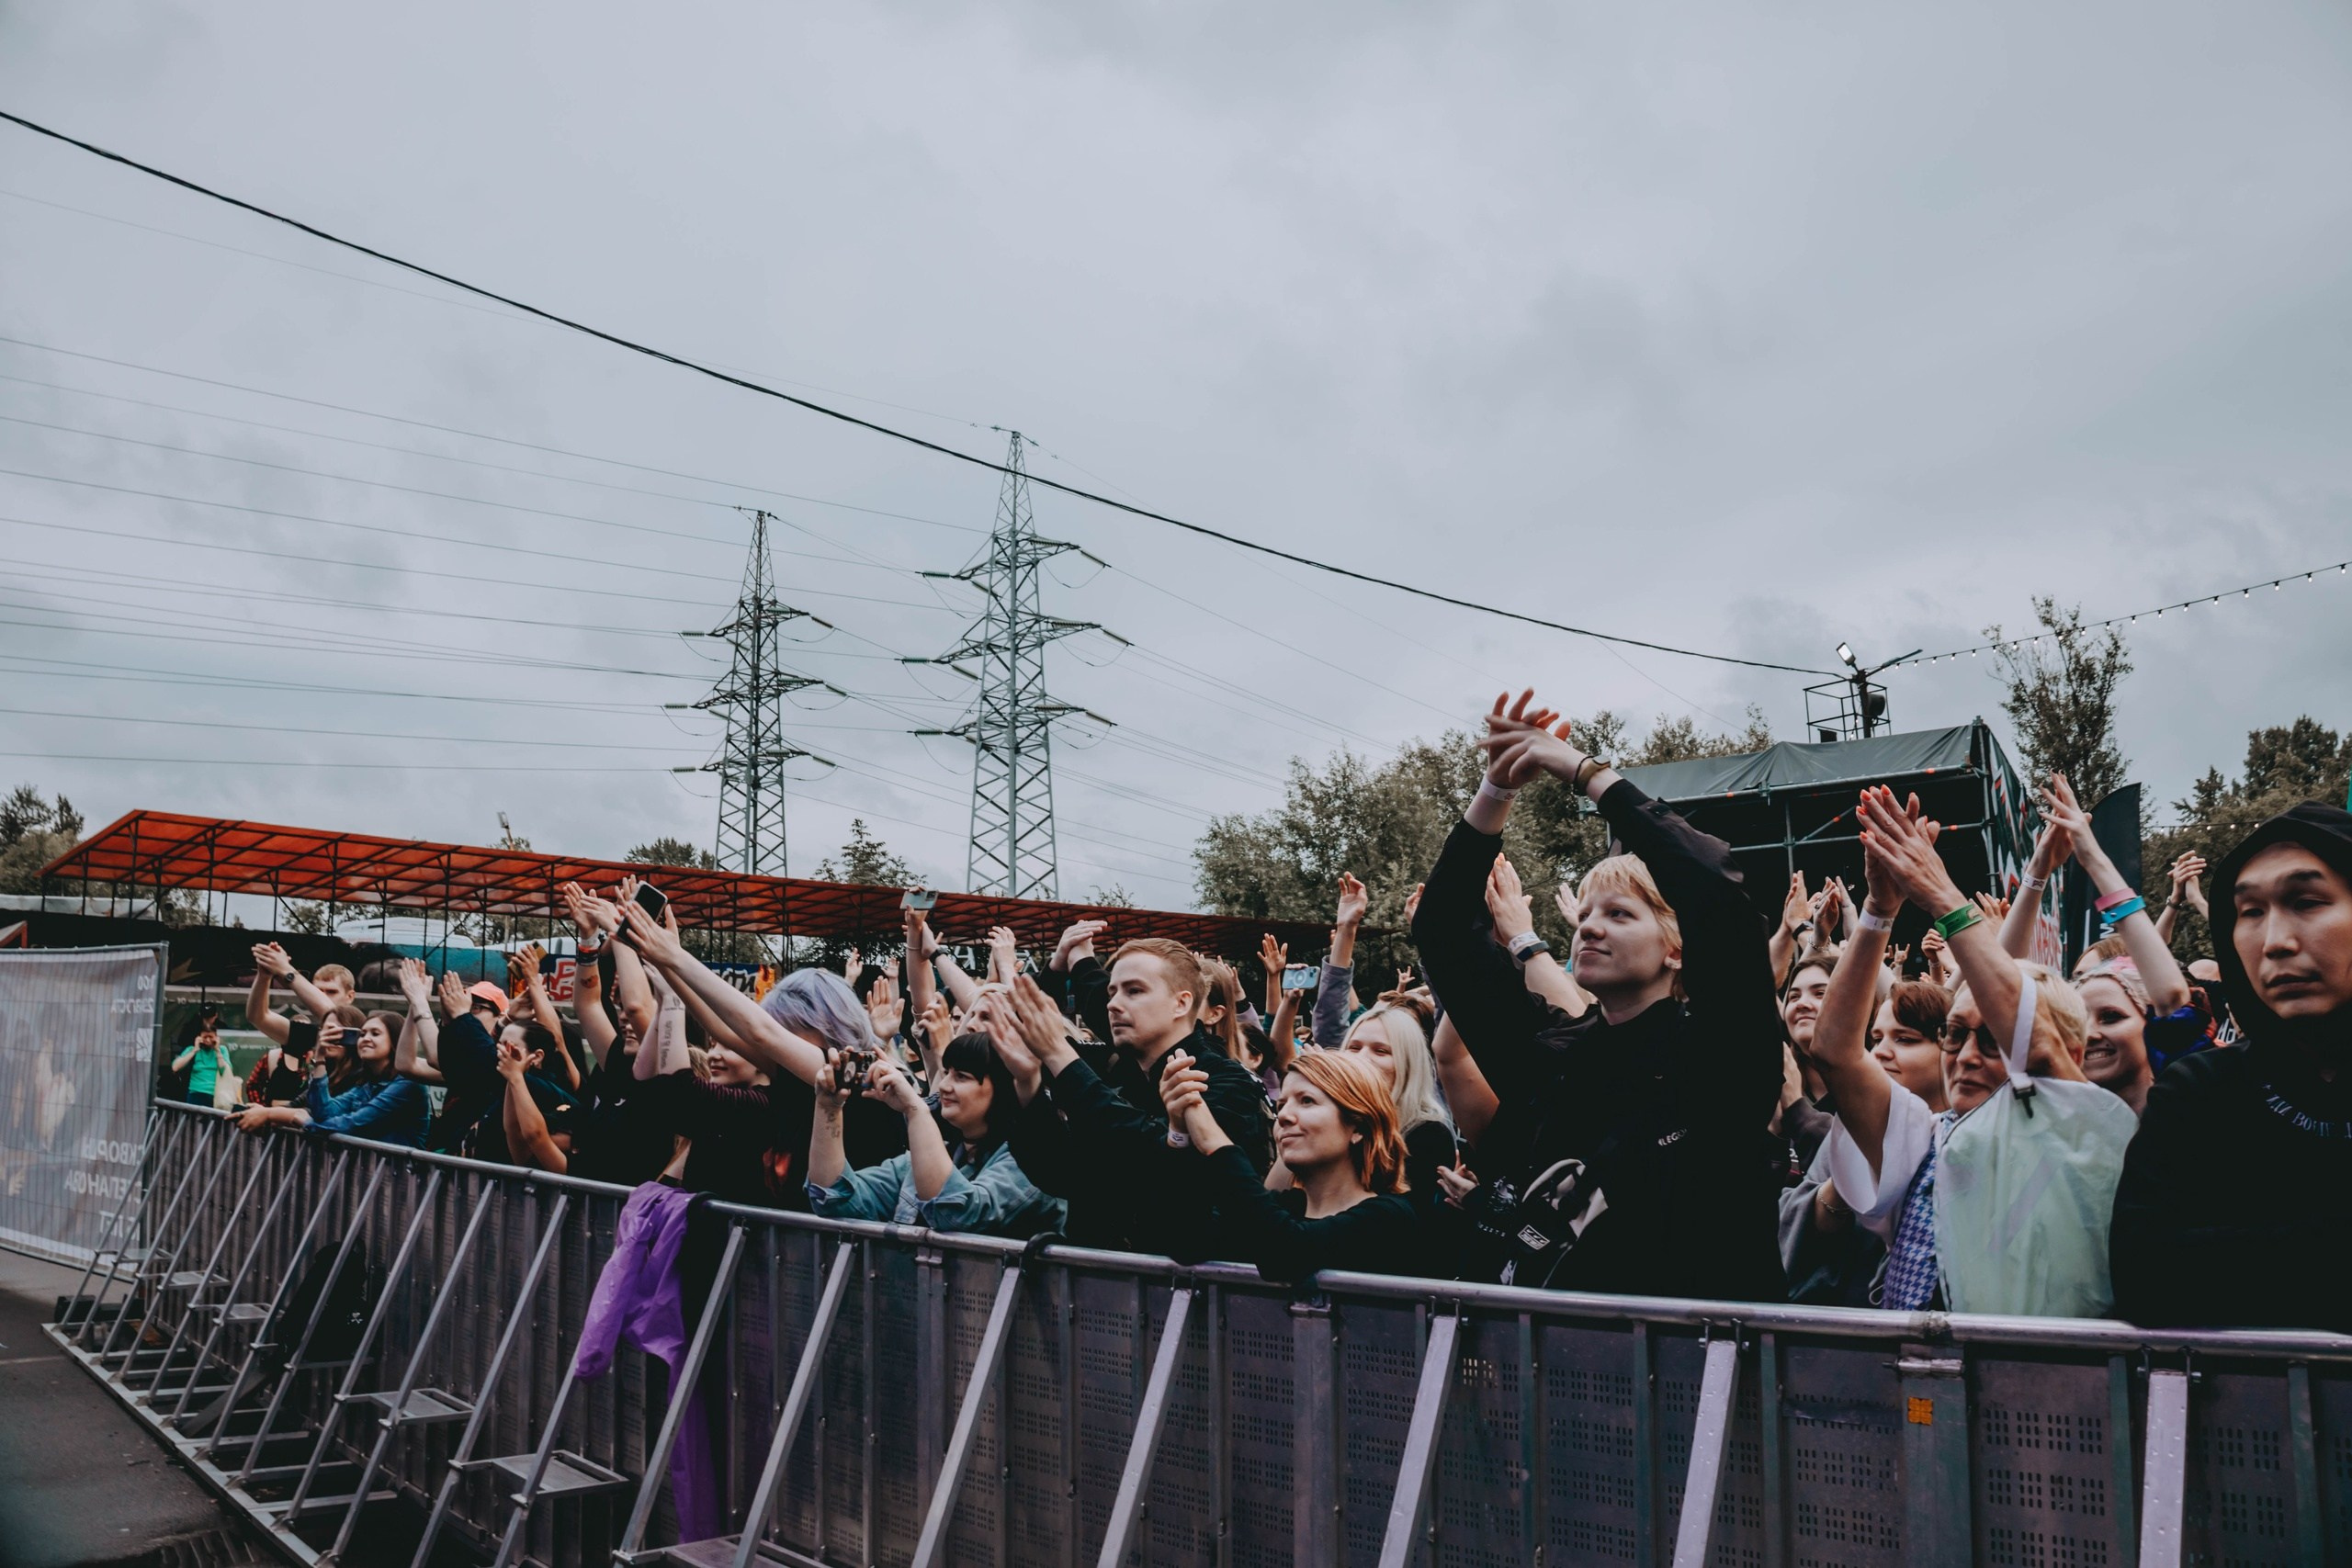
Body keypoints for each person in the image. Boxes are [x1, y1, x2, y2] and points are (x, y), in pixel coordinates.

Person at [1415, 691, 1787, 1301]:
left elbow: (1716, 891)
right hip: (1570, 1369)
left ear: (1677, 948)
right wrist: (1497, 789)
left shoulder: (1721, 1047)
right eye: (1584, 913)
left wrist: (1584, 772)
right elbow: (1445, 932)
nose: (1588, 926)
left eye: (1619, 913)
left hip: (1712, 1372)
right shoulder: (1555, 1051)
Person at [1818, 785, 2132, 1317]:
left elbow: (2031, 1039)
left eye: (1994, 1041)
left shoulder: (2083, 1132)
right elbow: (1835, 1052)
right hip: (1919, 1387)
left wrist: (1940, 893)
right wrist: (1878, 909)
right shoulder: (1923, 1135)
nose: (1964, 1056)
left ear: (2072, 1053)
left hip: (2047, 1390)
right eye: (1955, 1034)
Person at [2110, 801, 2352, 1331]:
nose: (2275, 942)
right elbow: (2145, 1278)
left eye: (2307, 902)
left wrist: (2230, 1251)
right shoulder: (2198, 1091)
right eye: (2250, 913)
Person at [989, 944, 1274, 1258]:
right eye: (1112, 992)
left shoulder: (1223, 1081)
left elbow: (1153, 1162)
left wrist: (1059, 1055)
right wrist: (1027, 1084)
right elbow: (1067, 1175)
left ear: (1181, 1004)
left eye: (1134, 991)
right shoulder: (1122, 1074)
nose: (1113, 1005)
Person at [1158, 1046, 1430, 1280]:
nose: (1284, 1116)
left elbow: (1286, 1254)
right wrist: (1179, 1132)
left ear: (1358, 1127)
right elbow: (1186, 1241)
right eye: (1282, 1105)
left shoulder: (1389, 1217)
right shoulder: (1286, 1207)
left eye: (1307, 1101)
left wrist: (1214, 1140)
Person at [1778, 977, 1947, 1305]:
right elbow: (1791, 1242)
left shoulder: (1968, 1140)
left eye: (1905, 1040)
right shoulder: (1846, 1134)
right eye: (1876, 1038)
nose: (1881, 1052)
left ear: (1950, 1050)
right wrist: (1851, 1176)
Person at [807, 1031, 1064, 1237]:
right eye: (947, 1073)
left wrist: (915, 1110)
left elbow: (957, 1214)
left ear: (1004, 1087)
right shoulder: (932, 1156)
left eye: (961, 1077)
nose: (944, 1086)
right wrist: (828, 1106)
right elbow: (834, 1200)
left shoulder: (1033, 1159)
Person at [231, 1010, 429, 1146]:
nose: (366, 1038)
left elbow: (351, 1125)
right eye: (362, 1034)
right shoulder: (367, 1085)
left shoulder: (407, 1083)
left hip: (402, 1182)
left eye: (375, 1034)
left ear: (395, 1042)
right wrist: (320, 1059)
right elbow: (324, 1112)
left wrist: (301, 1120)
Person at [1332, 993, 1457, 1196]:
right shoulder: (1328, 1119)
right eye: (1354, 1047)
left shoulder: (1428, 1135)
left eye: (1380, 1051)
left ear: (1408, 1065)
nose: (1361, 1058)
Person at [243, 945, 357, 1106]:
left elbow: (331, 1013)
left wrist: (286, 970)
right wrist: (264, 976)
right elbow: (258, 1016)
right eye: (318, 991)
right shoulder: (310, 1033)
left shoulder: (360, 1036)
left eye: (331, 992)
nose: (321, 996)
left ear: (350, 996)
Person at [171, 1022, 234, 1108]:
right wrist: (195, 1050)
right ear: (199, 1037)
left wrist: (217, 1051)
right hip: (196, 1093)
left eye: (211, 1037)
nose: (208, 1040)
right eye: (205, 1037)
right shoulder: (191, 1050)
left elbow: (224, 1071)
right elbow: (175, 1067)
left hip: (215, 1094)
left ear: (216, 1037)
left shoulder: (222, 1050)